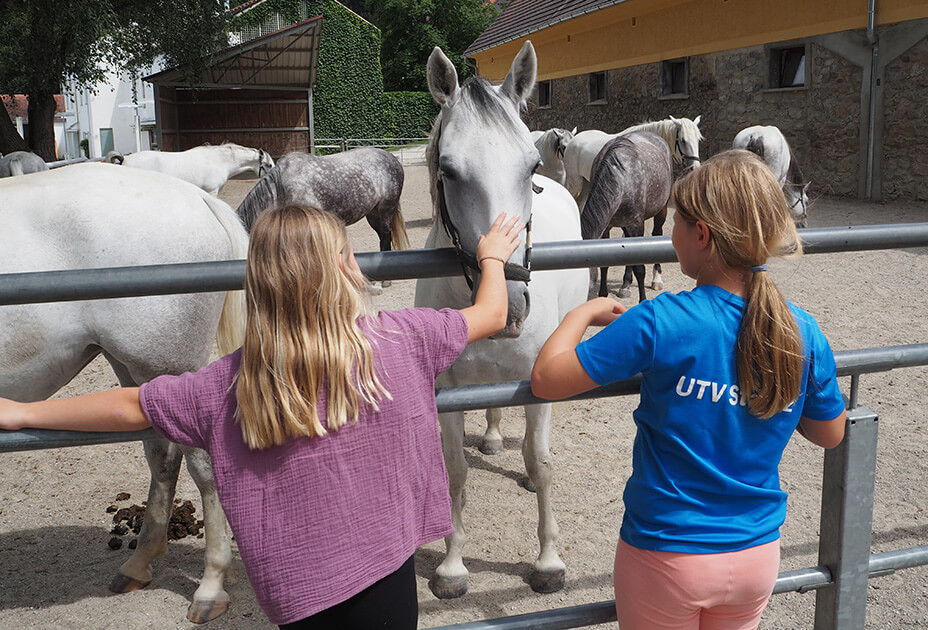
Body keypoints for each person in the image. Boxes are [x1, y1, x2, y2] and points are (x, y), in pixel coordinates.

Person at [0, 204, 525, 629]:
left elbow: (130, 404)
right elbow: (492, 314)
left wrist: (25, 411)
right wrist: (494, 260)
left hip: (297, 595)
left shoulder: (228, 384)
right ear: (345, 267)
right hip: (388, 574)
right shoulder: (404, 338)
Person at [531, 149, 847, 630]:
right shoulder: (802, 331)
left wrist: (583, 313)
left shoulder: (661, 321)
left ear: (702, 234)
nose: (669, 230)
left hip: (666, 554)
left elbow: (547, 379)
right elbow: (830, 434)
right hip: (755, 554)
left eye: (675, 220)